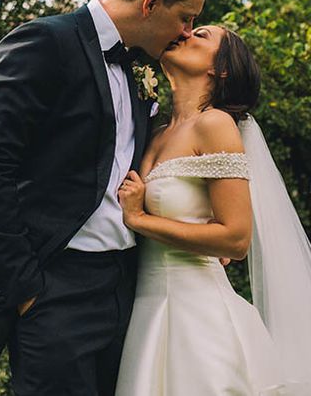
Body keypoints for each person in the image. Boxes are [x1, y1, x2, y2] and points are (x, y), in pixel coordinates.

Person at [0, 0, 214, 395]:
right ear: (152, 3)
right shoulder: (43, 42)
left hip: (126, 286)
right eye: (185, 18)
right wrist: (26, 290)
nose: (186, 32)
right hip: (55, 290)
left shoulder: (142, 69)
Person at [116, 26, 311, 395]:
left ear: (220, 70)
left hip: (199, 319)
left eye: (200, 35)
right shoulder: (152, 132)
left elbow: (236, 239)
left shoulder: (215, 124)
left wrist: (141, 219)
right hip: (145, 309)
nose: (184, 34)